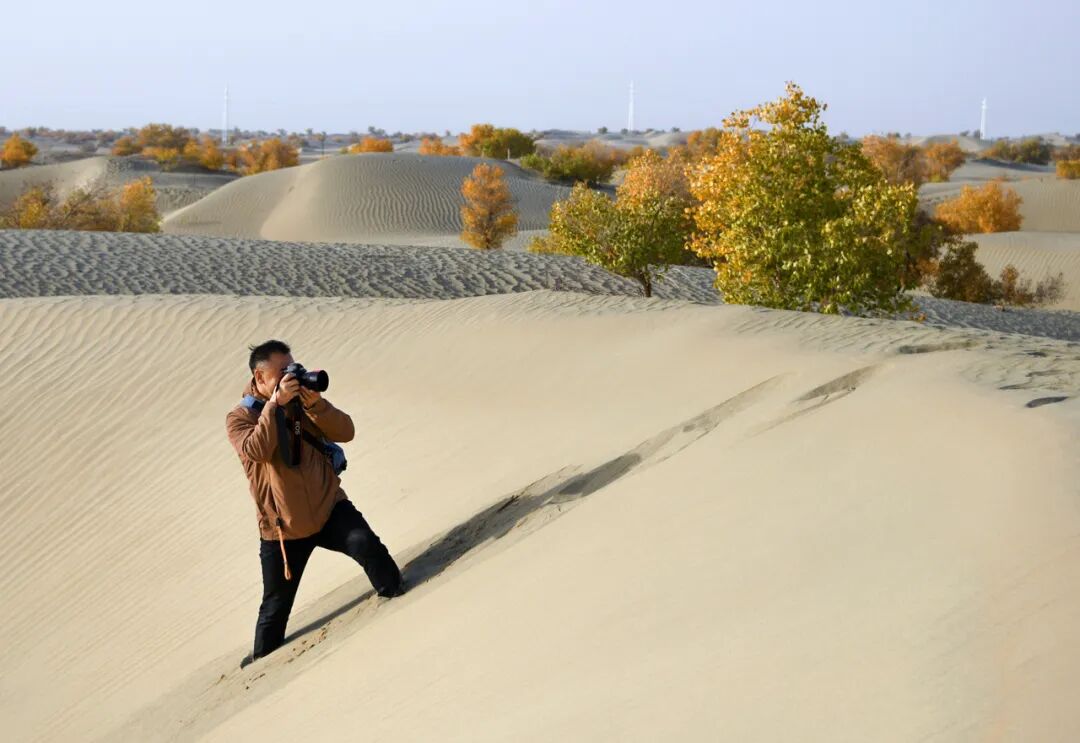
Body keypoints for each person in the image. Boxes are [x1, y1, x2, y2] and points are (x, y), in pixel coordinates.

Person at [226, 339, 404, 668]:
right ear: (260, 377)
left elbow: (346, 431)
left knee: (370, 549)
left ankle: (399, 604)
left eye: (293, 367)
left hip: (328, 508)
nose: (291, 376)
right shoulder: (240, 418)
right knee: (274, 611)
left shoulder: (302, 403)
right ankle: (258, 672)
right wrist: (275, 407)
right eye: (282, 372)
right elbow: (256, 450)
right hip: (283, 530)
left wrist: (316, 405)